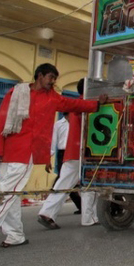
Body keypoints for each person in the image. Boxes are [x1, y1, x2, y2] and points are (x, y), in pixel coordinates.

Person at [0, 64, 107, 255]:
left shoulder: (52, 97)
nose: (53, 81)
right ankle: (15, 235)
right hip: (9, 151)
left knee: (6, 194)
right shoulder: (17, 92)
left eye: (55, 78)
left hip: (26, 154)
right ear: (40, 76)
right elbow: (2, 121)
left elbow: (74, 105)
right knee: (6, 194)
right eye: (50, 77)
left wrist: (96, 104)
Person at [38, 79, 100, 229]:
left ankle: (47, 212)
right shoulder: (85, 103)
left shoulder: (78, 103)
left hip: (73, 150)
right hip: (86, 151)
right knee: (90, 185)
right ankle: (88, 217)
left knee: (64, 183)